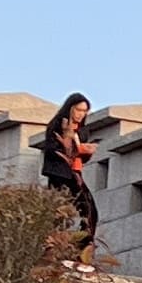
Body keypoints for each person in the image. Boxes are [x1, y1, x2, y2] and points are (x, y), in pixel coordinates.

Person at [40, 92, 99, 252]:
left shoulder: (83, 131)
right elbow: (52, 151)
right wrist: (72, 147)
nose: (81, 114)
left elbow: (81, 159)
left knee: (90, 210)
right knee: (59, 212)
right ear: (70, 108)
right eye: (78, 110)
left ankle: (83, 248)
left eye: (84, 111)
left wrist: (86, 151)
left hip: (75, 173)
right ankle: (52, 248)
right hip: (59, 174)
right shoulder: (57, 125)